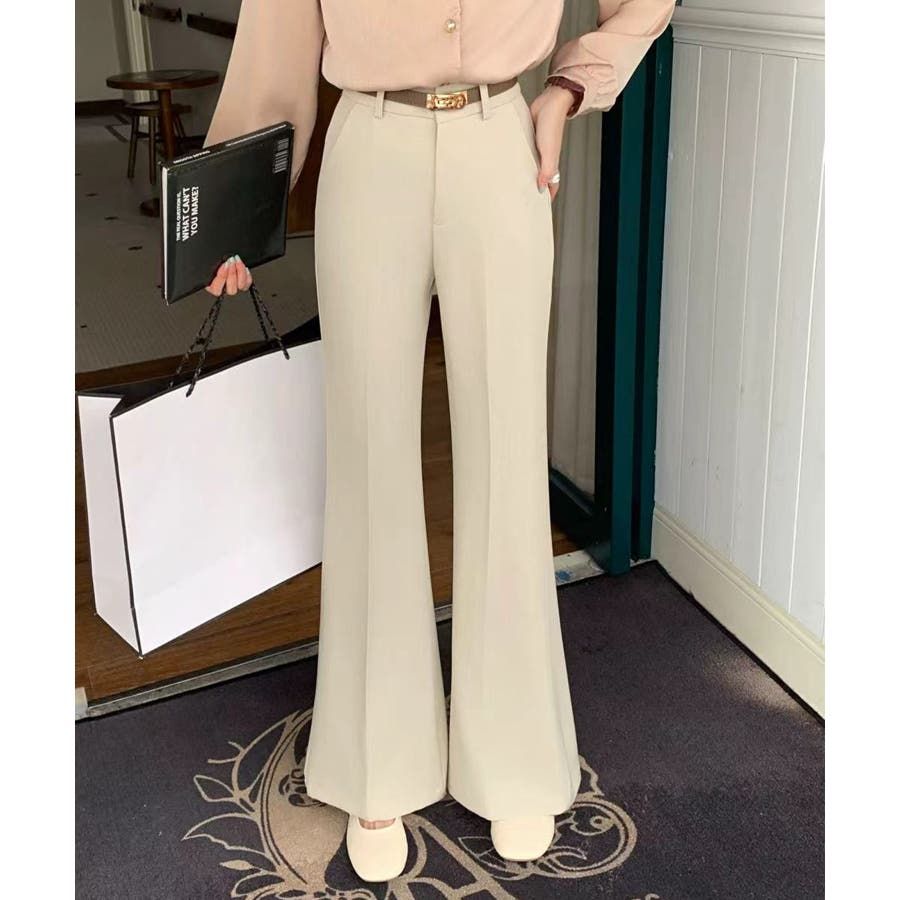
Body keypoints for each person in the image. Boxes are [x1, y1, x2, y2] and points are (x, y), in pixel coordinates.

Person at [203, 0, 675, 883]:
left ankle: (516, 755)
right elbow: (277, 33)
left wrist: (569, 88)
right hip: (368, 147)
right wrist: (236, 203)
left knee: (509, 454)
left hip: (502, 142)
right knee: (369, 456)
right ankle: (377, 759)